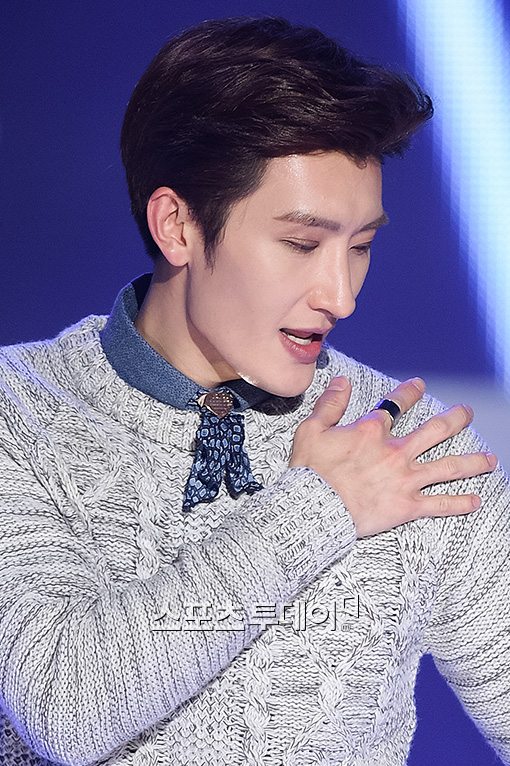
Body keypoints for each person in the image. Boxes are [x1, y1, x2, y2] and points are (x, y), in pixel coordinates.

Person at [0, 16, 508, 766]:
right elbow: (66, 706)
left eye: (361, 246)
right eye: (301, 244)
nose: (341, 296)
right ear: (176, 226)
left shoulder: (408, 449)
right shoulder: (20, 411)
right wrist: (319, 507)